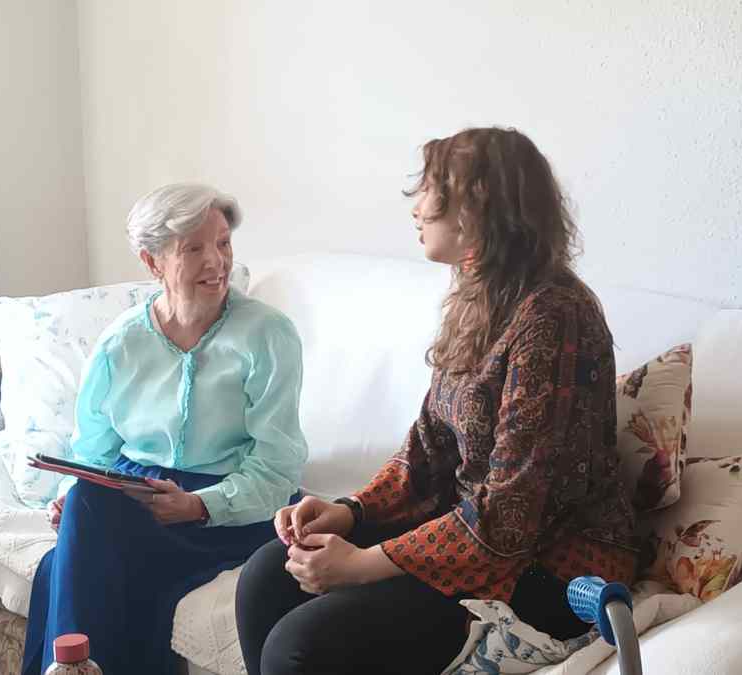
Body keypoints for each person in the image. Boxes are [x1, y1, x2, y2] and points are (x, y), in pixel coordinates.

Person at [236, 127, 638, 675]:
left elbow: (508, 520)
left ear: (476, 209)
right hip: (473, 536)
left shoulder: (554, 318)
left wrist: (362, 566)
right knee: (265, 576)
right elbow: (426, 452)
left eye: (430, 189)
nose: (416, 208)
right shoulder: (479, 300)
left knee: (301, 644)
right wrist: (348, 513)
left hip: (548, 571)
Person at [22, 183, 308, 675]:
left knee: (66, 560)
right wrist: (76, 492)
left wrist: (200, 505)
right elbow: (94, 452)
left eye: (222, 243)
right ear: (152, 263)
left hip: (235, 501)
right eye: (193, 249)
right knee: (86, 510)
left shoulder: (268, 334)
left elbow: (278, 467)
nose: (215, 262)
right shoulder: (120, 344)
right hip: (136, 493)